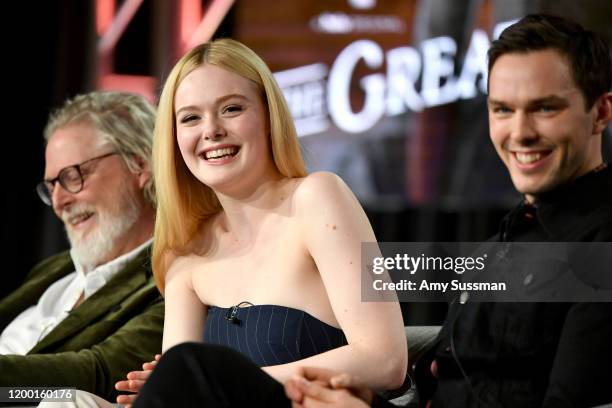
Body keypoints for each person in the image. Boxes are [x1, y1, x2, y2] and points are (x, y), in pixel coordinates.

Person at [284, 13, 612, 408]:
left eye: (544, 109)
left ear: (602, 113)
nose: (520, 133)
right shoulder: (502, 244)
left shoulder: (601, 245)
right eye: (503, 110)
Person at [102, 37, 406, 407]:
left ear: (267, 118)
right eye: (191, 118)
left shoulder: (319, 197)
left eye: (231, 109)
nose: (211, 130)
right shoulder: (184, 253)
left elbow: (386, 360)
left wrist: (223, 383)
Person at [0, 91, 164, 402]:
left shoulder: (171, 278)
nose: (60, 202)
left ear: (140, 163)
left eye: (73, 176)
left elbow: (100, 375)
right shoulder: (55, 270)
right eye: (52, 186)